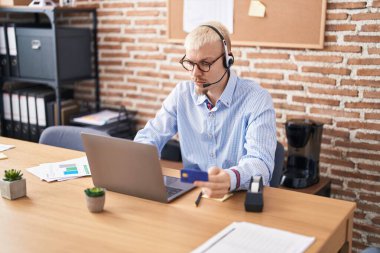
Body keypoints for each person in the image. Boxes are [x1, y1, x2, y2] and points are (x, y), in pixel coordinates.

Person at [134, 21, 277, 198]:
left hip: (239, 197)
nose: (195, 73)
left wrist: (230, 178)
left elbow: (261, 164)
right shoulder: (182, 93)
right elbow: (149, 135)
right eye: (190, 63)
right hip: (195, 193)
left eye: (205, 63)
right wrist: (140, 160)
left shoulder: (257, 99)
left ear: (228, 60)